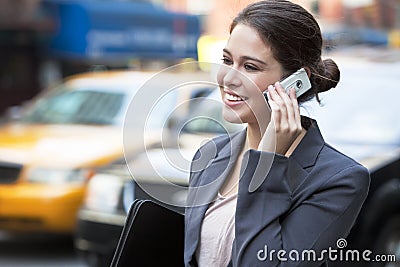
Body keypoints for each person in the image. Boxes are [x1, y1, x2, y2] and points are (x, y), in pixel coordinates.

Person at [184, 0, 370, 266]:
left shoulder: (339, 180)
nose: (228, 79)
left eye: (250, 67)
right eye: (227, 60)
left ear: (294, 82)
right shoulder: (210, 155)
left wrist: (268, 162)